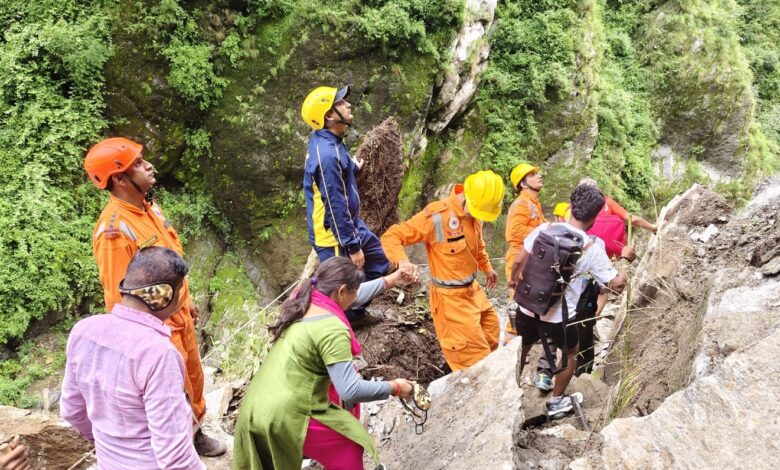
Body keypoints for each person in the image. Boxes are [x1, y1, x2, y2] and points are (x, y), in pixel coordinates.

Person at [83, 137, 224, 456]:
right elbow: (120, 296)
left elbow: (169, 263)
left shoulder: (149, 207)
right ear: (119, 178)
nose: (148, 166)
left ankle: (196, 432)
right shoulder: (114, 232)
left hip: (178, 314)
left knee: (193, 378)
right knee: (172, 390)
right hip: (156, 329)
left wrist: (185, 302)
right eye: (138, 163)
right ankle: (178, 445)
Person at [233, 257, 414, 470]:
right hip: (286, 412)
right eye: (353, 292)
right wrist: (395, 387)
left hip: (257, 406)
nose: (356, 297)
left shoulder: (306, 298)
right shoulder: (332, 330)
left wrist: (390, 280)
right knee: (349, 443)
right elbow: (350, 390)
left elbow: (355, 297)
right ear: (341, 292)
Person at [61, 247, 205, 469]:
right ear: (164, 296)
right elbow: (174, 456)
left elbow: (71, 410)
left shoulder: (82, 331)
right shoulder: (158, 354)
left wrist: (110, 448)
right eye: (180, 291)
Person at [510, 184, 631, 418]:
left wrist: (515, 282)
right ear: (595, 216)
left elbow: (518, 261)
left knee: (522, 347)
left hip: (527, 305)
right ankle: (556, 402)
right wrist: (625, 261)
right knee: (571, 352)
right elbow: (615, 285)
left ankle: (511, 389)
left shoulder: (545, 228)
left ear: (571, 205)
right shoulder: (592, 249)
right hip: (559, 316)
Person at [381, 170, 504, 371]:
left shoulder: (475, 212)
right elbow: (392, 236)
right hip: (450, 299)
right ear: (467, 196)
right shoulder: (437, 216)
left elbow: (477, 246)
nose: (479, 217)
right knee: (474, 360)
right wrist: (402, 262)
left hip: (473, 290)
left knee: (491, 332)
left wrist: (487, 269)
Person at [301, 85, 391, 322]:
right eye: (341, 103)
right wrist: (351, 246)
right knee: (345, 284)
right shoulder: (327, 156)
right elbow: (334, 205)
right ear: (330, 115)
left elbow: (337, 170)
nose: (348, 105)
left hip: (349, 224)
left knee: (379, 261)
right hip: (335, 235)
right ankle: (346, 318)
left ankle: (354, 310)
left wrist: (352, 167)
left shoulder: (332, 139)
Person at [504, 163, 546, 345]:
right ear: (523, 184)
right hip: (519, 257)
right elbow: (514, 232)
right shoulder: (522, 203)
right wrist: (541, 230)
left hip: (530, 258)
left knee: (527, 303)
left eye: (537, 173)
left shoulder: (533, 203)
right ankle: (507, 347)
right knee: (518, 304)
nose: (538, 176)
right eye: (532, 175)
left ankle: (524, 341)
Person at [579, 178, 657, 233]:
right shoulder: (606, 202)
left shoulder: (574, 206)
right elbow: (631, 219)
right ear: (598, 191)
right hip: (606, 246)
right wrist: (652, 227)